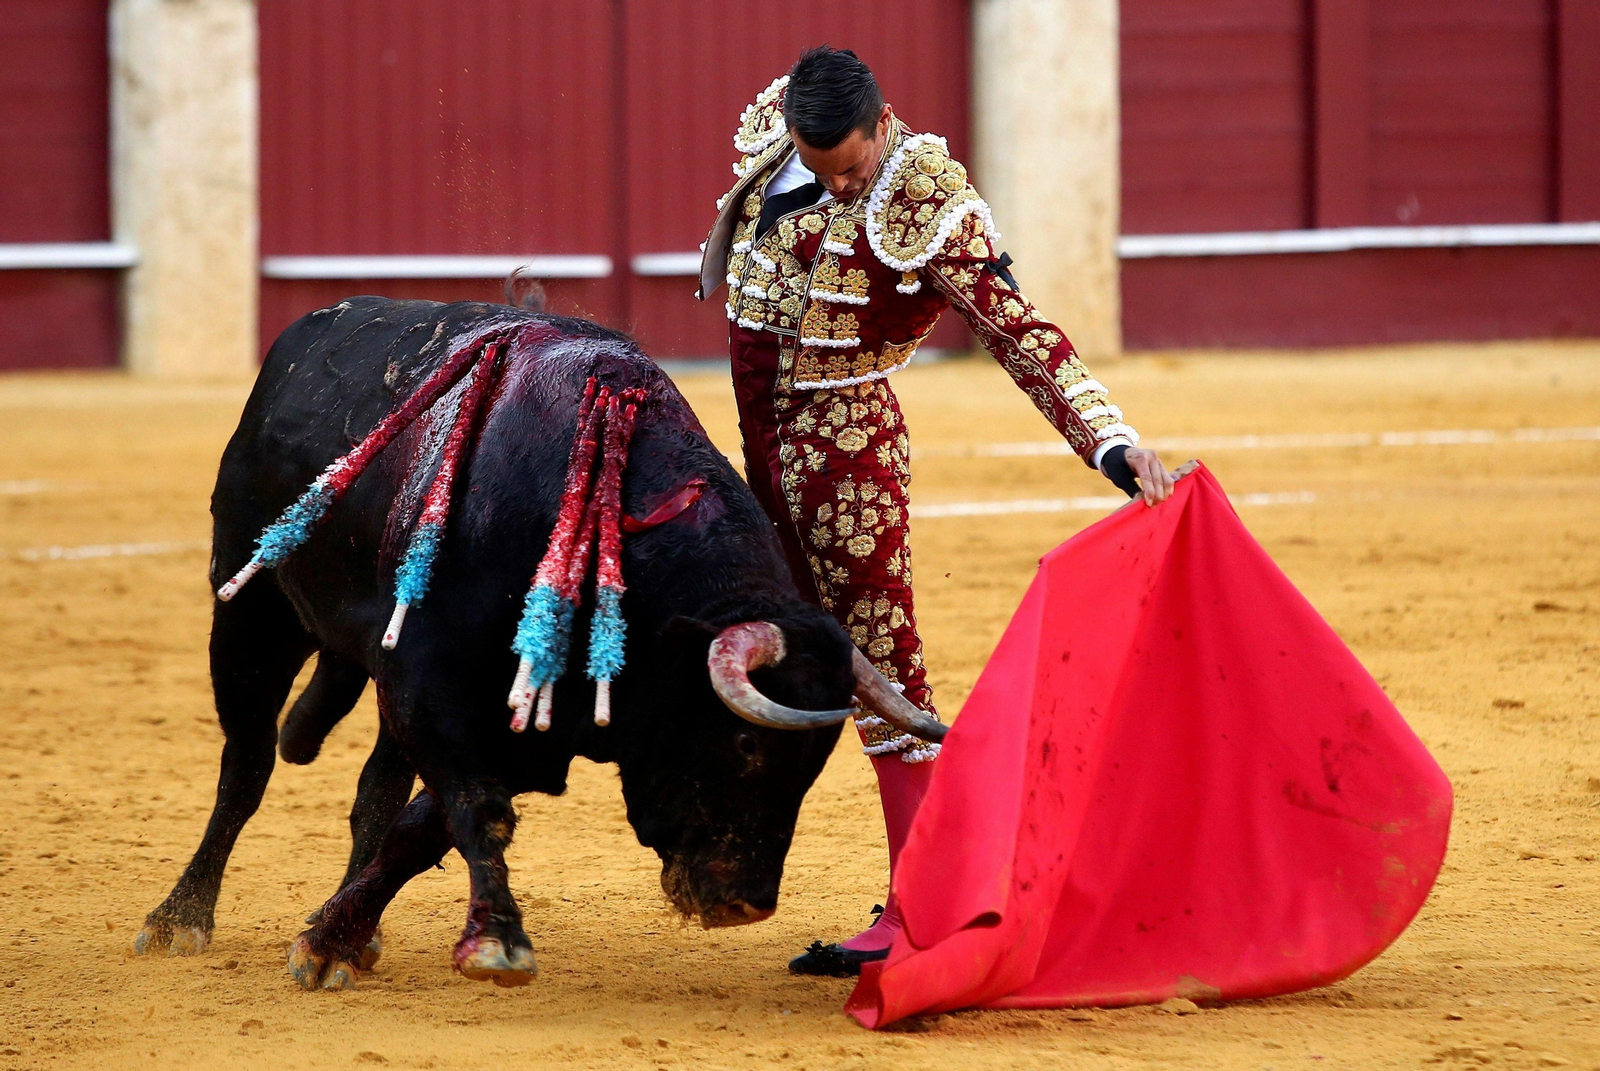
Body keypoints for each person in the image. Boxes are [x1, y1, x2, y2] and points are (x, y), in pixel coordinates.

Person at [695, 46, 1174, 976]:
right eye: (820, 163)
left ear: (883, 122)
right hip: (762, 449)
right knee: (765, 648)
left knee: (884, 667)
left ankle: (924, 907)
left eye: (853, 165)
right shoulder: (776, 133)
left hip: (847, 458)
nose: (840, 182)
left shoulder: (921, 197)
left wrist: (1110, 442)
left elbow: (1014, 327)